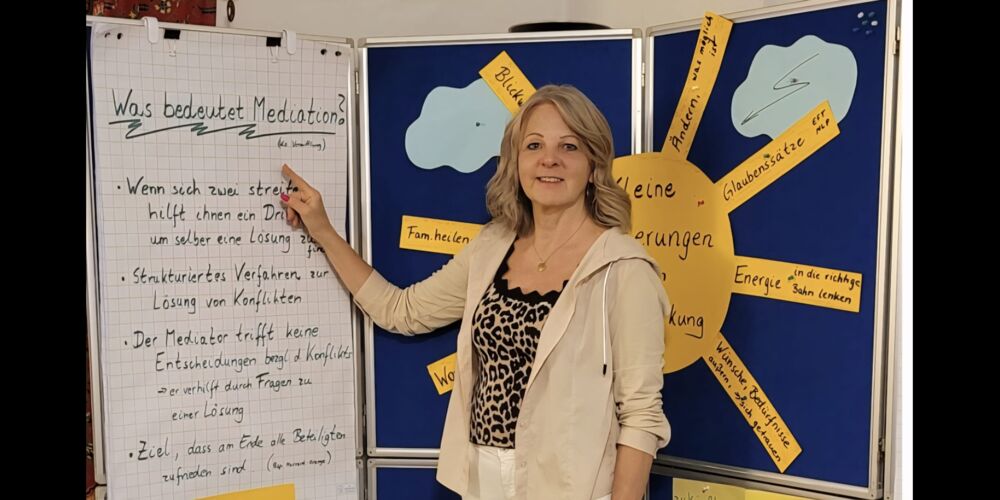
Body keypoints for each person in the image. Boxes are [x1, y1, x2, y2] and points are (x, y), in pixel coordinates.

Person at [280, 84, 670, 500]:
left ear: (593, 165)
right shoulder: (492, 246)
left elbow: (641, 416)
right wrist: (323, 230)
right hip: (481, 479)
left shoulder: (623, 269)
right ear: (516, 161)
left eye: (569, 146)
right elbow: (401, 310)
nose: (549, 159)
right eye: (534, 145)